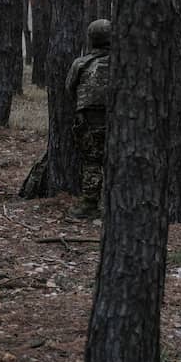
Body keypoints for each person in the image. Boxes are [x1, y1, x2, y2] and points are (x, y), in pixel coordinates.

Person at [65, 19, 111, 218]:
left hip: (89, 119)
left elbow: (70, 88)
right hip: (117, 120)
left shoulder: (81, 63)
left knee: (92, 161)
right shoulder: (123, 63)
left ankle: (90, 204)